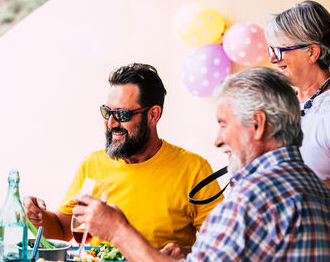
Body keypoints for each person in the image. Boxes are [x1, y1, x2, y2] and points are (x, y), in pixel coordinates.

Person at [73, 67, 330, 261]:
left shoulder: (252, 200)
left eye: (223, 124)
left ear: (257, 124)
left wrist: (118, 231)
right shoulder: (316, 188)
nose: (218, 141)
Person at [24, 63, 222, 251]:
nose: (111, 123)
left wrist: (187, 253)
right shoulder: (92, 165)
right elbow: (61, 230)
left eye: (122, 115)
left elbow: (223, 246)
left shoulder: (194, 169)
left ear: (153, 115)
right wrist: (39, 217)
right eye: (107, 112)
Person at [265, 0, 330, 187]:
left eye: (280, 49)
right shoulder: (280, 104)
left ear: (312, 53)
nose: (272, 58)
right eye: (271, 49)